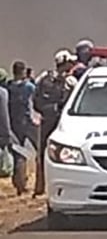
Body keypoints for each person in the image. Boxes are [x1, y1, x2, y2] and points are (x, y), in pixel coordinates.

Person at [33, 50, 77, 197]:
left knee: (42, 153)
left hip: (47, 120)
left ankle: (39, 187)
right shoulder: (71, 82)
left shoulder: (43, 78)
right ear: (65, 64)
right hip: (63, 123)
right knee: (66, 154)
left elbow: (35, 100)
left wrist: (45, 111)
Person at [6, 61, 36, 195]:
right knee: (37, 151)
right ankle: (27, 183)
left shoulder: (9, 87)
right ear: (23, 71)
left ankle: (18, 182)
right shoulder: (28, 86)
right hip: (27, 122)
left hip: (13, 122)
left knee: (17, 152)